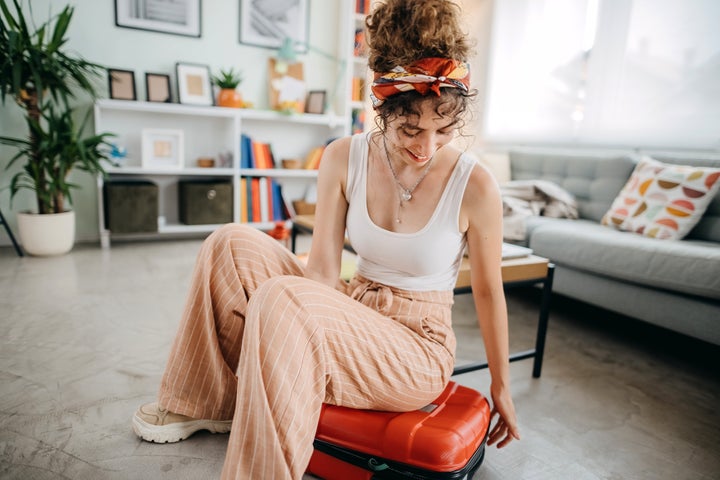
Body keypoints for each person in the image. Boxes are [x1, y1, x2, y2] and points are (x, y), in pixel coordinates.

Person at [132, 0, 520, 478]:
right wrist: (300, 311)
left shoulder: (475, 185)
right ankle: (206, 401)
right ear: (382, 106)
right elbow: (320, 272)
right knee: (230, 243)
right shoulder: (344, 156)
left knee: (283, 299)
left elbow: (487, 291)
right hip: (354, 308)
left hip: (417, 346)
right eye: (410, 128)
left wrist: (501, 387)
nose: (426, 146)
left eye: (443, 130)